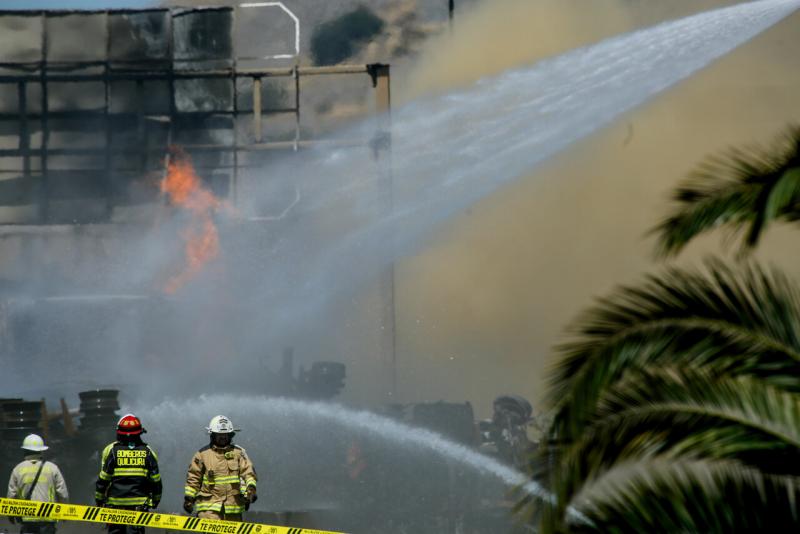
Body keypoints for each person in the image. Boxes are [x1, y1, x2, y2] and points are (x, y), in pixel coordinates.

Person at [95, 414, 162, 534]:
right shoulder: (147, 452)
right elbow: (156, 480)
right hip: (139, 507)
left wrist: (99, 499)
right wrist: (156, 500)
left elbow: (103, 479)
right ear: (140, 432)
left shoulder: (113, 452)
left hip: (115, 506)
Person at [183, 415, 257, 522]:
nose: (223, 437)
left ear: (231, 435)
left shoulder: (239, 453)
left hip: (233, 510)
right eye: (219, 435)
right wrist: (189, 498)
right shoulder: (202, 455)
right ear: (212, 435)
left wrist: (251, 489)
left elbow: (248, 472)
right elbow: (193, 479)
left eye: (226, 434)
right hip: (209, 510)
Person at [6, 434, 69, 534]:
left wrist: (10, 515)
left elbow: (11, 495)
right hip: (48, 517)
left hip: (27, 518)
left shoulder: (17, 469)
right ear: (41, 450)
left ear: (25, 450)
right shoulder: (52, 468)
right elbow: (62, 493)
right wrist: (65, 512)